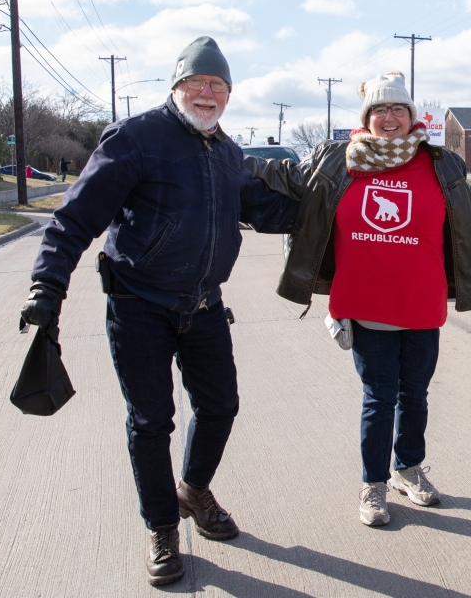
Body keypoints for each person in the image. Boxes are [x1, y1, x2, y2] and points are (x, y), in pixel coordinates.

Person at [20, 37, 298, 586]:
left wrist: (331, 202)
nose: (208, 92)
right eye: (197, 82)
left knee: (220, 407)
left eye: (218, 85)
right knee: (151, 422)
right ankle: (162, 527)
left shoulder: (226, 151)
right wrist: (46, 287)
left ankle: (192, 491)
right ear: (176, 87)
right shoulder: (137, 138)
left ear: (228, 95)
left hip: (204, 304)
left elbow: (262, 209)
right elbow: (75, 218)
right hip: (138, 305)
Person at [245, 71, 471, 527]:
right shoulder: (337, 161)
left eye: (397, 109)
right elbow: (277, 173)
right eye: (379, 110)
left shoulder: (439, 165)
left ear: (411, 116)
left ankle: (407, 469)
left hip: (421, 304)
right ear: (366, 117)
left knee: (416, 395)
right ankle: (373, 483)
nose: (388, 117)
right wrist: (214, 155)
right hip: (365, 305)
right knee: (379, 397)